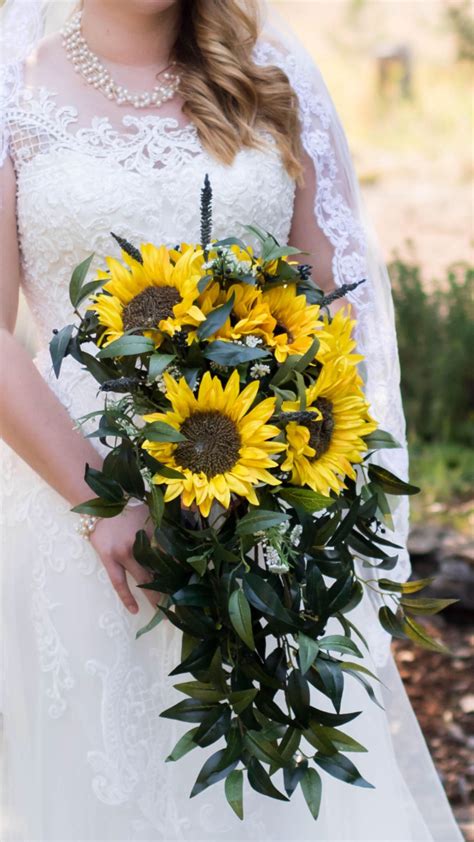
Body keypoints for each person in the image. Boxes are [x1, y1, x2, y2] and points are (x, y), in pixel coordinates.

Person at [0, 0, 464, 839]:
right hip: (74, 506)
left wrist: (283, 479)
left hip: (263, 506)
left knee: (269, 791)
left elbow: (334, 298)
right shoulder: (11, 72)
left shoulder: (269, 67)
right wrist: (108, 503)